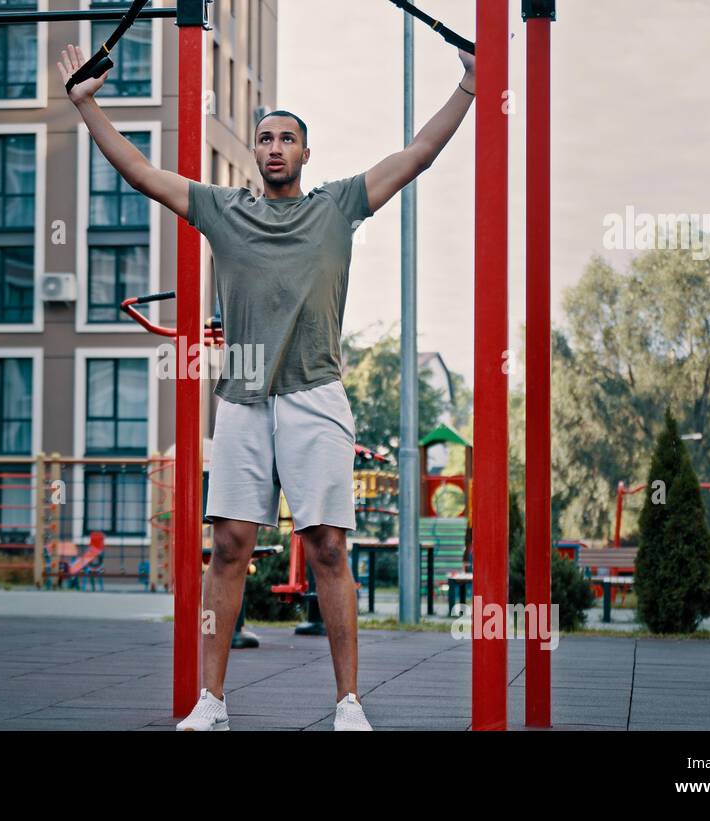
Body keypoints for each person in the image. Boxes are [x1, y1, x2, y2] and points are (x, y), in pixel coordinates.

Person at [59, 43, 476, 731]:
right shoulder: (224, 211)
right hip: (245, 398)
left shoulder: (339, 206)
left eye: (287, 138)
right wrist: (87, 105)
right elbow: (140, 172)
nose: (274, 147)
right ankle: (211, 701)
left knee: (328, 549)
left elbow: (419, 153)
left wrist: (466, 86)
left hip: (316, 394)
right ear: (254, 152)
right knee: (227, 548)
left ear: (305, 153)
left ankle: (348, 702)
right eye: (265, 138)